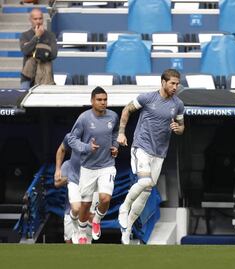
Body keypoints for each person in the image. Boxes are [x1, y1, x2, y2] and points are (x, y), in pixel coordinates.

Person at [117, 69, 185, 245]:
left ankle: (128, 227)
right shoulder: (147, 98)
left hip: (160, 153)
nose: (175, 87)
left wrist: (179, 129)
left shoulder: (178, 104)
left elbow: (182, 126)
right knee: (146, 182)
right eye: (172, 83)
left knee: (146, 193)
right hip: (142, 147)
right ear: (163, 82)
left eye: (177, 84)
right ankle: (123, 209)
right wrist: (121, 133)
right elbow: (127, 109)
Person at [68, 86, 119, 244]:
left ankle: (96, 220)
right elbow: (72, 139)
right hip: (88, 167)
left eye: (105, 100)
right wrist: (87, 148)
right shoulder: (83, 118)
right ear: (92, 101)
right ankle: (82, 232)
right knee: (85, 204)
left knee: (105, 198)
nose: (103, 102)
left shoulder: (113, 116)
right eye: (99, 100)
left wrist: (115, 145)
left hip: (107, 165)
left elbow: (116, 132)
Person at [54, 133, 101, 244]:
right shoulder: (67, 165)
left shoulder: (94, 169)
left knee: (85, 241)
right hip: (69, 211)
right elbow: (57, 183)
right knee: (69, 242)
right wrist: (68, 178)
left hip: (86, 213)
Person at [19, 8, 57, 91]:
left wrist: (34, 50)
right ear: (30, 20)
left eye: (40, 18)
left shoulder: (50, 35)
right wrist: (37, 37)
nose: (38, 21)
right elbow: (25, 51)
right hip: (27, 77)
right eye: (35, 19)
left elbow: (54, 54)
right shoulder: (24, 35)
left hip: (46, 75)